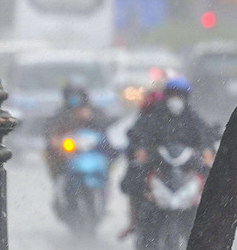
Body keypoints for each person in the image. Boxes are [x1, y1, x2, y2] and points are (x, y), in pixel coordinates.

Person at [120, 77, 217, 232]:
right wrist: (142, 149)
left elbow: (204, 134)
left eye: (180, 96)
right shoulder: (155, 115)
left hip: (185, 167)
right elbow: (139, 132)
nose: (176, 100)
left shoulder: (191, 116)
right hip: (158, 165)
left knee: (214, 183)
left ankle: (211, 225)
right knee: (135, 179)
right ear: (166, 95)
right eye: (173, 95)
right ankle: (134, 220)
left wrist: (206, 150)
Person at [44, 79, 115, 177]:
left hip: (92, 151)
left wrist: (90, 118)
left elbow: (107, 130)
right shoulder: (61, 115)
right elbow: (51, 133)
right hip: (69, 155)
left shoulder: (95, 113)